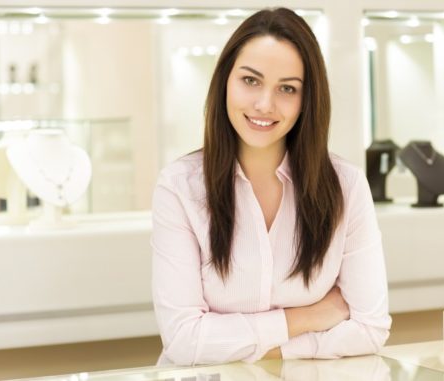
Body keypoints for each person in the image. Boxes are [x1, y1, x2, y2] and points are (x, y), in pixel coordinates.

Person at [151, 7, 391, 365]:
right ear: (225, 83)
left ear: (307, 100)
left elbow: (370, 328)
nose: (265, 104)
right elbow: (185, 342)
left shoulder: (347, 186)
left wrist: (265, 349)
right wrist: (305, 318)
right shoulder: (179, 187)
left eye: (287, 88)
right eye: (251, 81)